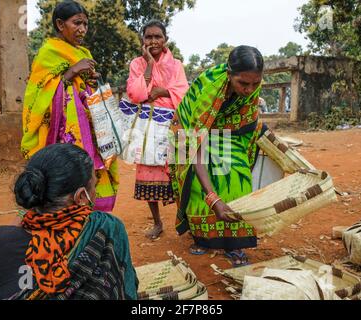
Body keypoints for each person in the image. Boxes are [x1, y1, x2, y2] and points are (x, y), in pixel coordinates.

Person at [0, 144, 138, 300]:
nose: (95, 193)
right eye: (94, 186)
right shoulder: (106, 230)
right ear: (82, 196)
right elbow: (126, 287)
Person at [170, 46, 268, 267]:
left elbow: (247, 124)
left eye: (255, 83)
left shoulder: (252, 87)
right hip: (189, 129)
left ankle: (236, 242)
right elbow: (195, 147)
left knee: (237, 174)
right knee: (196, 180)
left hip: (227, 128)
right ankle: (203, 238)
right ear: (230, 74)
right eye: (243, 83)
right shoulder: (210, 90)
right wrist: (213, 199)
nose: (249, 89)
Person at [21, 1, 118, 213]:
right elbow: (36, 94)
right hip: (61, 134)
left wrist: (91, 83)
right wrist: (71, 72)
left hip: (88, 130)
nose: (82, 29)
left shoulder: (84, 53)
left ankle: (90, 220)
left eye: (85, 24)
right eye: (77, 23)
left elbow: (83, 90)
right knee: (65, 178)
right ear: (60, 24)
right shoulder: (48, 53)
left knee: (89, 172)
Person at [126, 20, 189, 239]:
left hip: (171, 125)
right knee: (148, 173)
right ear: (143, 41)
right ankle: (157, 222)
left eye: (157, 37)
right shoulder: (136, 64)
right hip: (147, 127)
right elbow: (136, 95)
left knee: (179, 174)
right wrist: (150, 64)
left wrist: (161, 92)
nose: (153, 41)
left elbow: (183, 94)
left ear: (165, 40)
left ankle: (186, 221)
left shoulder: (176, 65)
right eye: (148, 37)